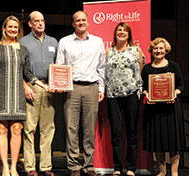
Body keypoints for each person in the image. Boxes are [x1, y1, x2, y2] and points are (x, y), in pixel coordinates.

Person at [0, 15, 49, 176]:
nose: (13, 30)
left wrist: (42, 84)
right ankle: (4, 167)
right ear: (5, 28)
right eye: (10, 27)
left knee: (16, 129)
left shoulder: (23, 49)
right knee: (1, 130)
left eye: (16, 27)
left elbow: (27, 73)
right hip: (0, 93)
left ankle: (14, 166)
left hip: (17, 95)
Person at [56, 11, 106, 176]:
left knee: (89, 128)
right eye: (78, 20)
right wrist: (59, 83)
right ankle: (74, 166)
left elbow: (102, 68)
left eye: (83, 20)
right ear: (73, 23)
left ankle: (89, 165)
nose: (81, 22)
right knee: (71, 128)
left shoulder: (97, 42)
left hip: (91, 88)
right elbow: (60, 66)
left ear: (88, 22)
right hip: (72, 88)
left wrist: (101, 88)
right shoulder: (65, 42)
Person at [19, 11, 57, 176]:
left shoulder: (53, 41)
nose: (40, 23)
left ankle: (46, 166)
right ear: (30, 24)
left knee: (48, 128)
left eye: (42, 20)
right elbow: (18, 68)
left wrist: (57, 83)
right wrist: (25, 86)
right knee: (29, 128)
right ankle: (30, 167)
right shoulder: (23, 42)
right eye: (37, 21)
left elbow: (59, 65)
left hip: (49, 87)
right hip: (32, 87)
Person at [142, 37, 185, 176]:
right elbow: (143, 87)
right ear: (151, 50)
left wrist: (174, 94)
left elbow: (181, 85)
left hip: (171, 109)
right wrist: (147, 94)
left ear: (166, 50)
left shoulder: (173, 66)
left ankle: (174, 172)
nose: (158, 51)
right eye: (155, 48)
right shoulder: (147, 68)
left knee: (173, 141)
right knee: (157, 141)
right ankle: (162, 171)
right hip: (154, 110)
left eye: (161, 48)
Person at [105, 22, 144, 176]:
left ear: (129, 34)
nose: (121, 32)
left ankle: (131, 168)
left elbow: (141, 70)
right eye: (119, 30)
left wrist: (139, 91)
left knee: (131, 132)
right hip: (113, 96)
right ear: (115, 34)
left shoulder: (136, 50)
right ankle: (117, 167)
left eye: (124, 31)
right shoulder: (109, 51)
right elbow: (104, 72)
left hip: (131, 95)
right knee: (115, 132)